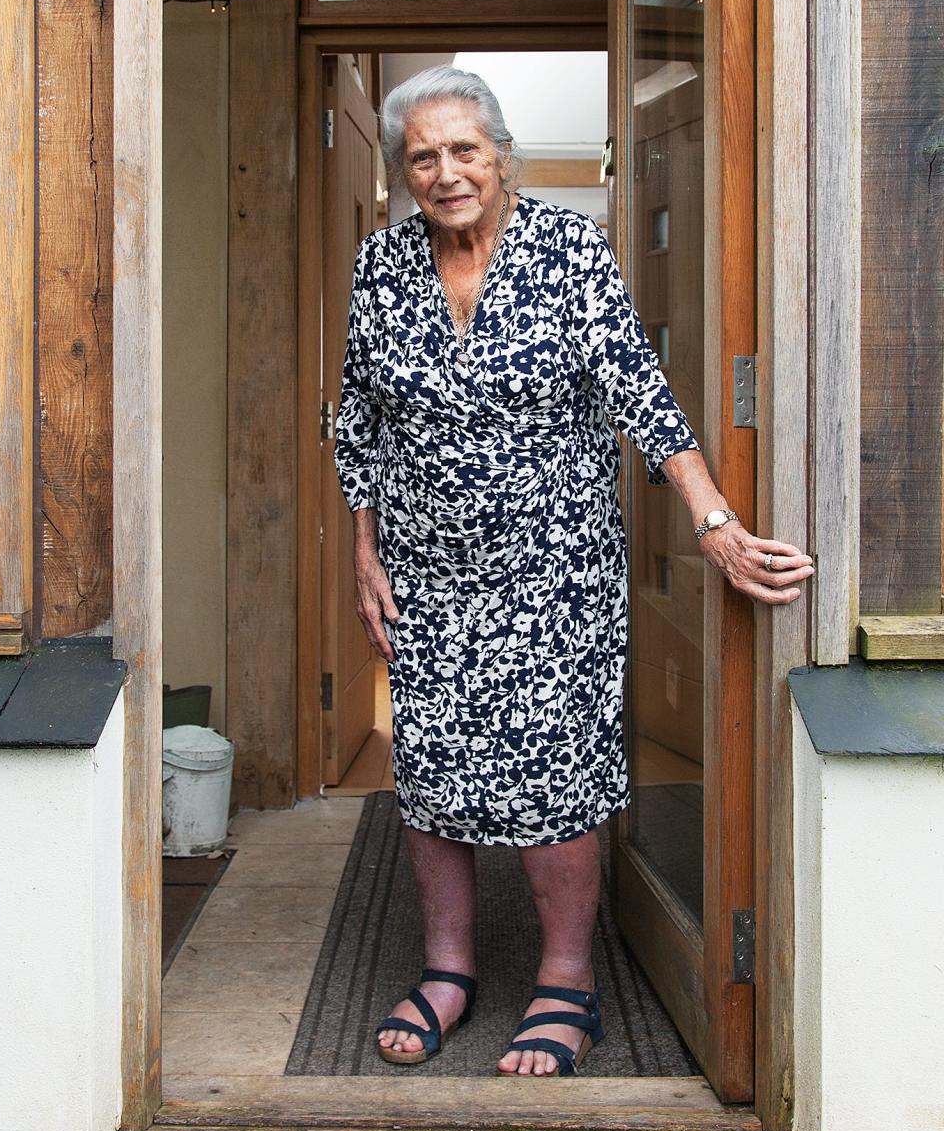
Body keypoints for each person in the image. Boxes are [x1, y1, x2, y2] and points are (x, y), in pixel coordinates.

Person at [333, 66, 813, 1078]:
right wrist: (363, 547)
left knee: (553, 769)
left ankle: (566, 982)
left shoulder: (565, 251)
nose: (446, 171)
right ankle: (449, 968)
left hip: (555, 570)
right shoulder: (382, 265)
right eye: (423, 155)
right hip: (427, 566)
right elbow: (360, 415)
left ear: (498, 154)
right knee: (431, 761)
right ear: (401, 172)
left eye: (464, 149)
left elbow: (639, 388)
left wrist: (714, 520)